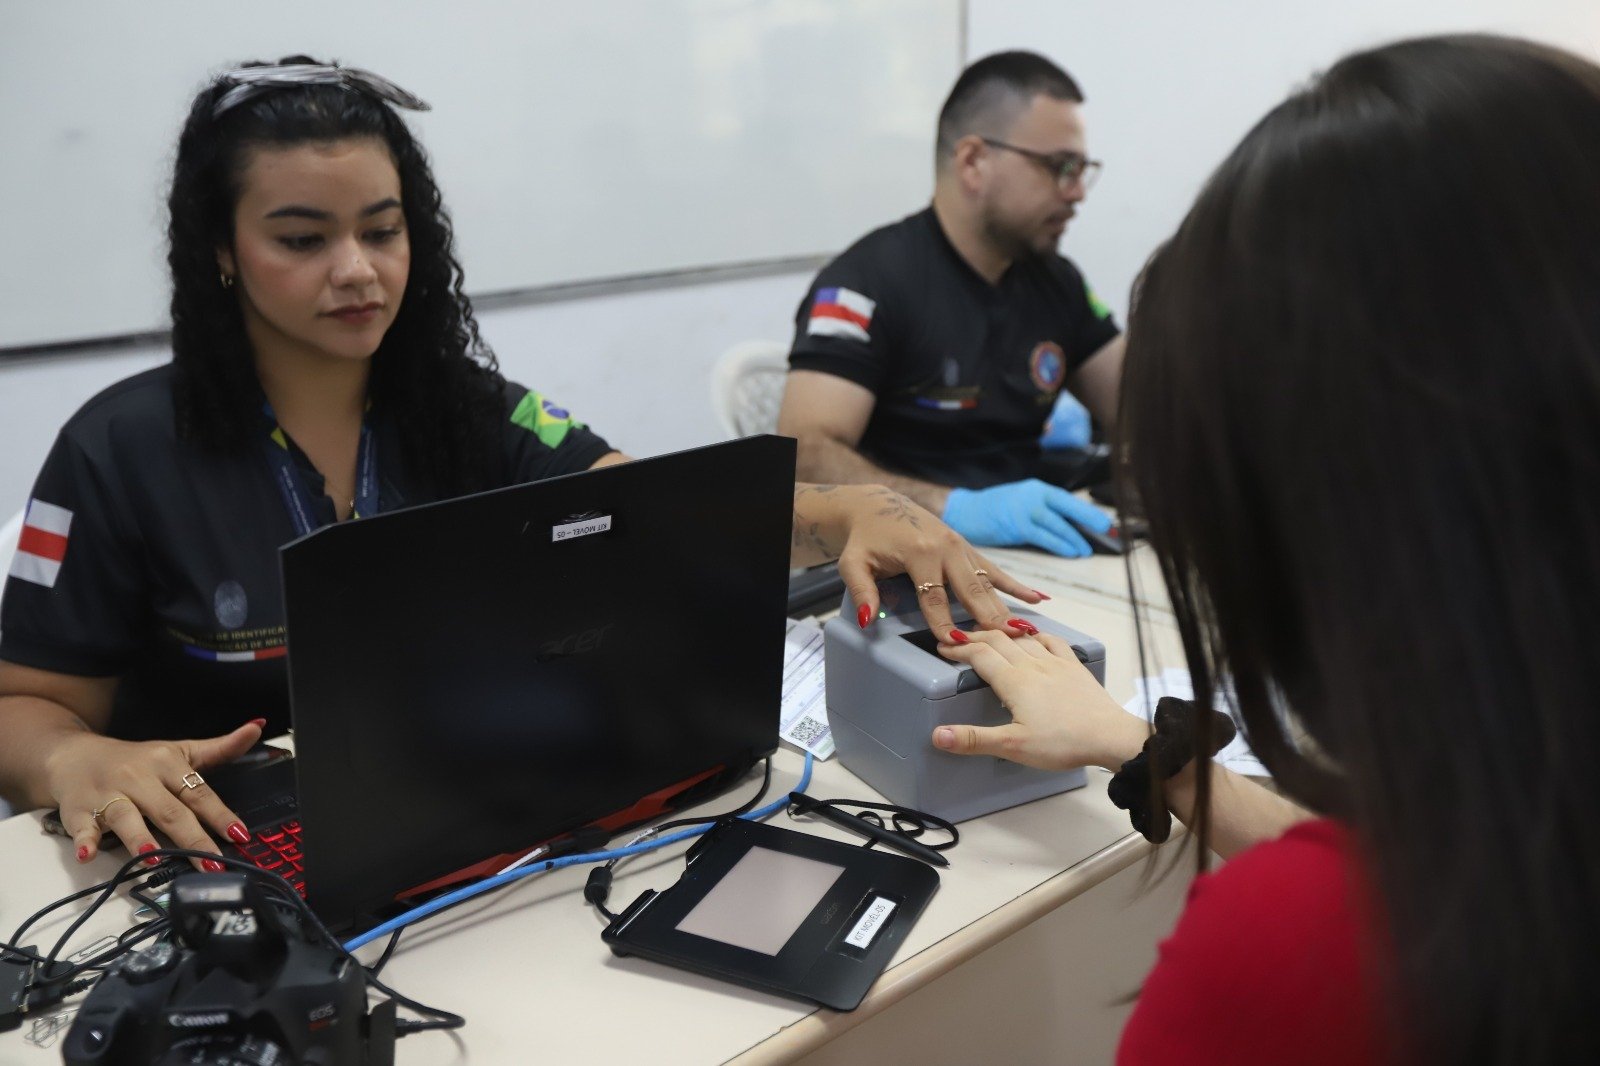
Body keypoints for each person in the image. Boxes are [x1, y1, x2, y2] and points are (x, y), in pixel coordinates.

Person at [0, 60, 1039, 874]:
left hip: (458, 824)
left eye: (382, 230)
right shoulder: (120, 448)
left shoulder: (462, 409)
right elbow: (23, 708)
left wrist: (842, 510)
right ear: (222, 252)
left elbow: (661, 513)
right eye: (303, 239)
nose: (357, 270)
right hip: (220, 858)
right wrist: (70, 757)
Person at [928, 34, 1599, 1065]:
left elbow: (1369, 905)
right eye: (1058, 166)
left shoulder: (1296, 950)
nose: (1076, 190)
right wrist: (1138, 746)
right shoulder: (878, 277)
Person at [777, 50, 1123, 558]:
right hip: (902, 560)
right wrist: (953, 508)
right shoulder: (866, 284)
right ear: (973, 162)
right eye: (1060, 168)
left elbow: (1142, 403)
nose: (1076, 193)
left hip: (1032, 555)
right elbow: (805, 457)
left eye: (1082, 170)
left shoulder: (1056, 280)